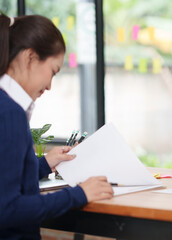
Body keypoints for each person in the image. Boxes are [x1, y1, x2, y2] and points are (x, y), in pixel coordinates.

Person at [0, 13, 114, 239]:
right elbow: (7, 209)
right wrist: (78, 194)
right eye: (53, 71)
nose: (50, 86)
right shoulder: (9, 113)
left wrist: (43, 164)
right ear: (30, 57)